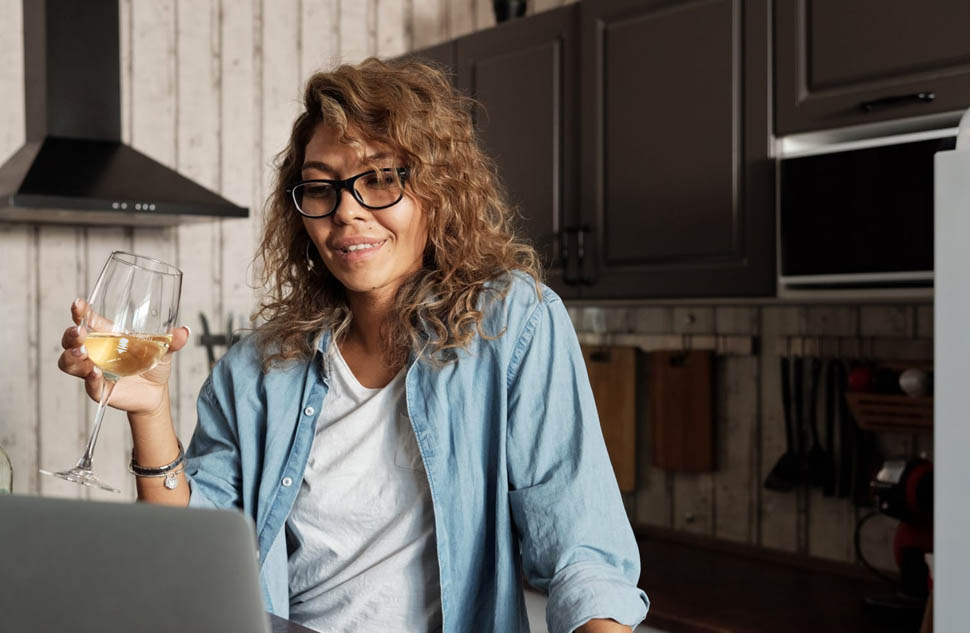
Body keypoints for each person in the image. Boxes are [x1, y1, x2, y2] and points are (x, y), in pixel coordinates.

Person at [58, 57, 648, 633]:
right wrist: (151, 411)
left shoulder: (513, 322)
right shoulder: (257, 367)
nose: (346, 211)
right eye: (320, 188)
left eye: (381, 179)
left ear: (438, 192)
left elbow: (582, 548)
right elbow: (192, 556)